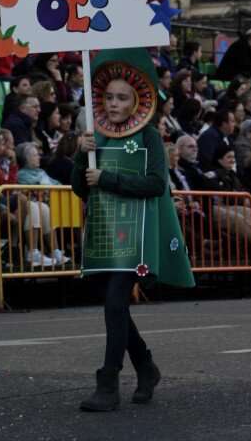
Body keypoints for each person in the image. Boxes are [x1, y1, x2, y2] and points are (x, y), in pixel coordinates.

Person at [71, 48, 194, 412]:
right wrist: (80, 155)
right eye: (109, 96)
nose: (113, 103)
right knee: (117, 308)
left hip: (136, 238)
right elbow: (81, 188)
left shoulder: (149, 137)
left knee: (114, 304)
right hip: (103, 233)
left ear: (137, 100)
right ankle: (146, 368)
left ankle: (108, 384)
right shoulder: (95, 135)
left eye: (122, 98)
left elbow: (156, 183)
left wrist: (106, 177)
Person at [15, 141, 70, 266]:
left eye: (38, 155)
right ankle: (32, 253)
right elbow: (38, 187)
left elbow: (57, 185)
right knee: (37, 207)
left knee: (44, 207)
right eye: (34, 155)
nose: (38, 157)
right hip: (27, 207)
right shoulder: (21, 174)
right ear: (25, 158)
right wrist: (49, 189)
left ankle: (54, 251)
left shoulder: (41, 172)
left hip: (45, 205)